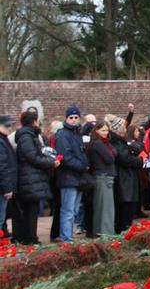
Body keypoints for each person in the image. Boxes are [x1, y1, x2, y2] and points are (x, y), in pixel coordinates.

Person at [13, 109, 60, 244]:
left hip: (31, 178)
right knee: (31, 211)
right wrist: (50, 162)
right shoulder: (26, 137)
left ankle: (30, 237)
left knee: (31, 210)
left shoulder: (28, 136)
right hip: (29, 178)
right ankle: (30, 238)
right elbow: (32, 157)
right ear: (34, 122)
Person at [55, 105, 89, 242]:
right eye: (71, 117)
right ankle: (66, 237)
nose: (74, 120)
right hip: (68, 176)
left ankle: (68, 235)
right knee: (68, 210)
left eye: (76, 117)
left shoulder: (77, 134)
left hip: (77, 177)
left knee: (74, 210)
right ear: (66, 118)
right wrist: (82, 166)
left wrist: (84, 165)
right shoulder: (63, 134)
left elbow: (80, 153)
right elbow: (65, 157)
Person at [109, 116, 143, 233]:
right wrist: (140, 161)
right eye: (124, 127)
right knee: (125, 211)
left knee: (127, 210)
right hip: (124, 179)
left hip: (126, 178)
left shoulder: (120, 142)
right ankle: (122, 233)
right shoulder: (117, 143)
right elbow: (125, 159)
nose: (125, 129)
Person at [88, 121, 116, 236]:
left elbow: (112, 153)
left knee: (103, 207)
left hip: (102, 176)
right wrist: (113, 152)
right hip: (103, 177)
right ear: (96, 131)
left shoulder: (100, 143)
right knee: (106, 208)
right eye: (103, 130)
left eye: (107, 130)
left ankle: (101, 231)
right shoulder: (98, 143)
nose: (106, 133)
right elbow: (110, 157)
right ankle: (106, 233)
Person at [0, 115, 17, 235]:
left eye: (10, 125)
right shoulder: (1, 141)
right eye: (7, 126)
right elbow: (2, 167)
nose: (10, 128)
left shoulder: (3, 139)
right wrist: (7, 188)